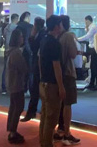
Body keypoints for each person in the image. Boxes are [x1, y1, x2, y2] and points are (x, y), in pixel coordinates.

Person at [38, 15, 65, 147]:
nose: (62, 27)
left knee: (45, 116)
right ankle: (47, 144)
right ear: (56, 27)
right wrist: (61, 86)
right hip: (52, 84)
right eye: (60, 24)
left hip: (43, 82)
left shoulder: (44, 40)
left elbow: (39, 59)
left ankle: (43, 142)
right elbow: (56, 65)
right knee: (51, 118)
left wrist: (42, 77)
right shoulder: (55, 43)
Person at [54, 15, 80, 146]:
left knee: (58, 104)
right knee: (67, 104)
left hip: (56, 74)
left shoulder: (55, 37)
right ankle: (67, 133)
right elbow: (73, 54)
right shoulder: (68, 36)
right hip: (68, 73)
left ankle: (58, 130)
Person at [6, 28, 29, 144]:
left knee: (13, 107)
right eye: (21, 37)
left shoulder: (11, 52)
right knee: (18, 107)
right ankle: (13, 131)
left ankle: (11, 129)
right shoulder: (16, 53)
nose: (22, 38)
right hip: (16, 83)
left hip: (12, 83)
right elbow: (23, 68)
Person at [22, 16, 46, 122]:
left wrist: (31, 37)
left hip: (39, 64)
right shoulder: (40, 34)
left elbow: (35, 48)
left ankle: (33, 111)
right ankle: (32, 112)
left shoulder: (42, 35)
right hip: (36, 63)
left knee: (36, 88)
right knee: (34, 88)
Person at [77, 15, 97, 91]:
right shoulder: (91, 27)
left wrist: (77, 39)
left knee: (94, 67)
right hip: (93, 48)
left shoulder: (93, 27)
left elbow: (87, 36)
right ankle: (92, 83)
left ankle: (96, 84)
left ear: (88, 20)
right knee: (93, 67)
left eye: (85, 21)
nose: (85, 22)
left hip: (94, 48)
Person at [2, 14, 20, 93]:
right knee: (13, 69)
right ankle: (11, 86)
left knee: (5, 69)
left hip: (6, 49)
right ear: (16, 19)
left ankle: (4, 86)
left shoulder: (6, 28)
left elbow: (4, 37)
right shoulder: (16, 28)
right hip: (13, 50)